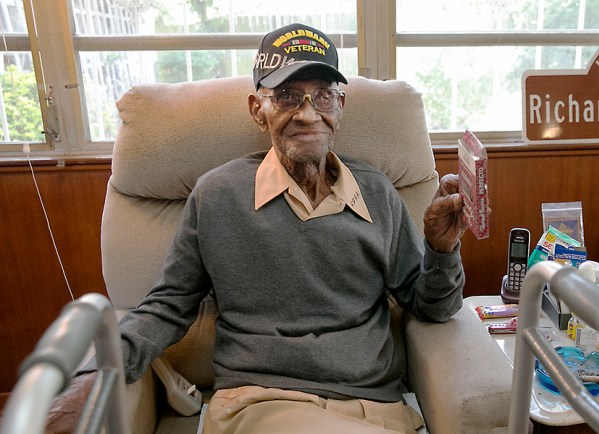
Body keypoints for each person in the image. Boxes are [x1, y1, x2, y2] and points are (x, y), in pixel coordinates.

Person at [47, 23, 467, 434]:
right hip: (259, 401)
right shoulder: (217, 195)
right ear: (257, 111)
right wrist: (98, 371)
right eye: (286, 96)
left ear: (340, 108)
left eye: (323, 96)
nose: (307, 114)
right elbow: (166, 305)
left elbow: (432, 307)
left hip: (373, 406)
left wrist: (441, 251)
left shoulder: (377, 192)